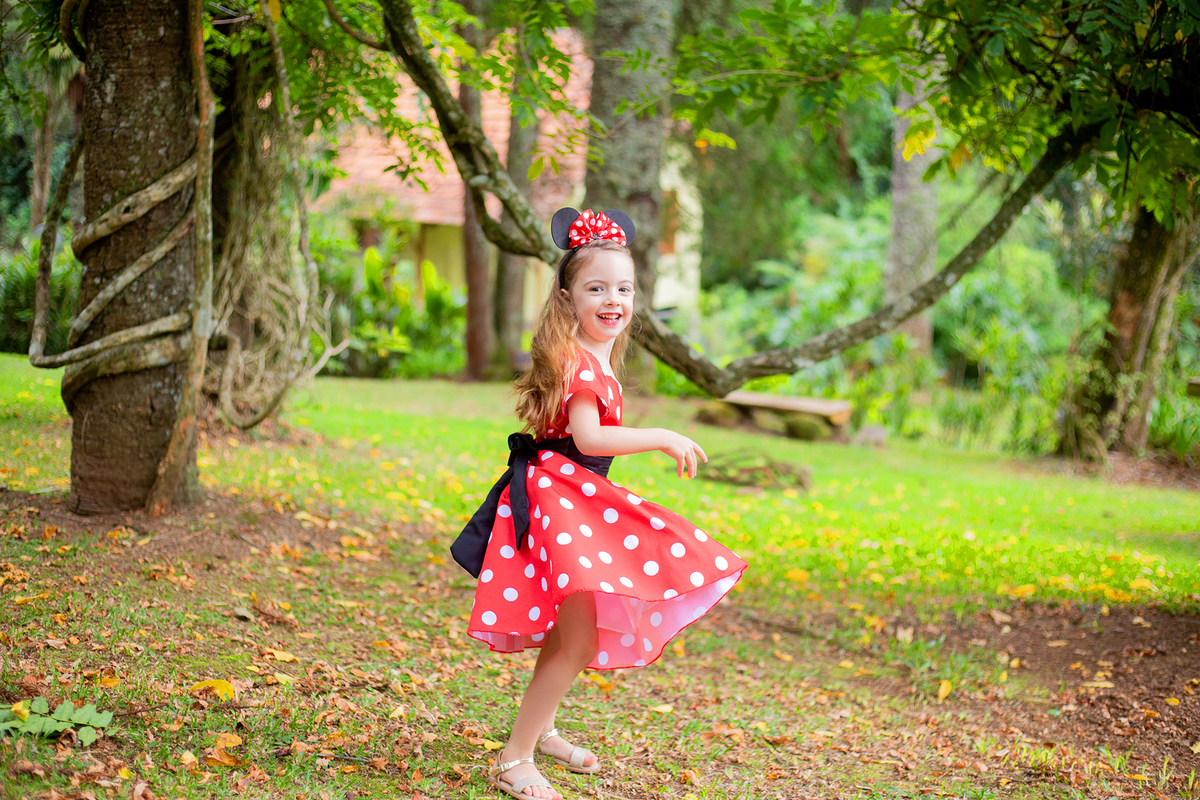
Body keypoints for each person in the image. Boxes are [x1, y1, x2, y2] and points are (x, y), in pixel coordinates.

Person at [451, 208, 747, 800]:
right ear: (567, 298)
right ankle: (514, 759)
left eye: (624, 288)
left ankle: (543, 729)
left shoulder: (590, 354)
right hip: (565, 502)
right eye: (596, 288)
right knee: (580, 639)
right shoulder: (581, 362)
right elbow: (589, 440)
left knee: (568, 636)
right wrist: (662, 436)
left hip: (571, 498)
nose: (613, 299)